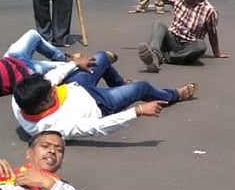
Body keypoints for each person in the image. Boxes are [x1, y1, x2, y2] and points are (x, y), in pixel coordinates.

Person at [12, 59, 197, 139]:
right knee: (142, 87)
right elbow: (97, 127)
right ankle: (173, 95)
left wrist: (75, 63)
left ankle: (119, 83)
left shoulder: (21, 97)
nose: (53, 91)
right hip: (98, 103)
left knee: (100, 58)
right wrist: (137, 111)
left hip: (76, 87)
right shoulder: (53, 127)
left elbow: (52, 78)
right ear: (40, 107)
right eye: (49, 96)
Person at [118, 0, 228, 71]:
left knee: (201, 46)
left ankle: (165, 57)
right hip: (172, 39)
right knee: (159, 24)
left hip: (188, 46)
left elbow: (212, 33)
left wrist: (216, 53)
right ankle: (154, 55)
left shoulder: (209, 11)